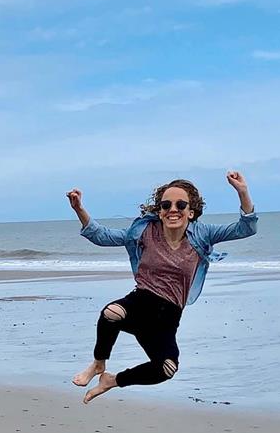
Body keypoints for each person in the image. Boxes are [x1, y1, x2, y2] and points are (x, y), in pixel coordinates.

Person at [68, 171, 257, 403]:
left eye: (180, 204)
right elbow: (102, 236)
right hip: (139, 303)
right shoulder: (145, 232)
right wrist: (79, 209)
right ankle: (98, 363)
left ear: (191, 211)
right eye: (166, 204)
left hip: (167, 319)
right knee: (111, 313)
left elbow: (246, 228)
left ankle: (112, 380)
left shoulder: (202, 234)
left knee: (166, 369)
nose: (173, 209)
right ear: (160, 211)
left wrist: (242, 192)